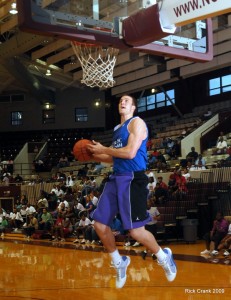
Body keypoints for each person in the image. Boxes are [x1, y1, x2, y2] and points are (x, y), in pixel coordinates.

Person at [87, 94, 177, 289]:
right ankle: (119, 262)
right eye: (120, 100)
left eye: (127, 100)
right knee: (99, 225)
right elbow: (115, 158)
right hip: (117, 177)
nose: (122, 102)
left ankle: (163, 257)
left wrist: (104, 149)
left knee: (135, 231)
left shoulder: (137, 123)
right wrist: (92, 155)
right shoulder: (118, 129)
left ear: (134, 107)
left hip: (133, 178)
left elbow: (129, 153)